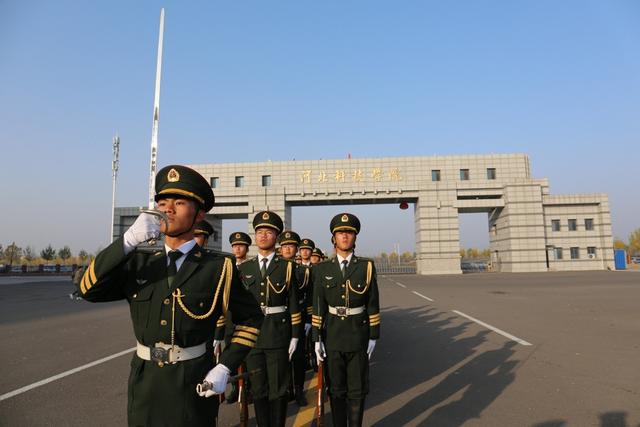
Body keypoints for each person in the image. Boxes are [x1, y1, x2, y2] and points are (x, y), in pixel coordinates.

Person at [78, 165, 263, 427]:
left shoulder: (219, 267)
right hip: (145, 383)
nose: (168, 209)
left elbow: (252, 318)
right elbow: (88, 289)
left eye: (178, 202)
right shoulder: (139, 262)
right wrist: (127, 241)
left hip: (193, 381)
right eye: (163, 202)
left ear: (199, 214)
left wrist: (225, 366)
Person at [311, 213, 381, 427]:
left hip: (358, 336)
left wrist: (373, 336)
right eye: (340, 233)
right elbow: (318, 306)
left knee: (357, 390)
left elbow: (372, 304)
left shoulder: (365, 267)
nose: (345, 236)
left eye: (349, 232)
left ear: (355, 237)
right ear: (333, 238)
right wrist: (316, 338)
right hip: (332, 336)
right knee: (337, 390)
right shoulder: (323, 269)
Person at [238, 211, 301, 426]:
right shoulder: (244, 269)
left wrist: (294, 335)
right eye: (259, 232)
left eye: (268, 232)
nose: (263, 235)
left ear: (276, 237)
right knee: (258, 389)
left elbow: (293, 302)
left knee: (278, 389)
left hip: (278, 335)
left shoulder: (287, 267)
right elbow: (238, 307)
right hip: (252, 336)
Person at [215, 230, 253, 404]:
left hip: (248, 321)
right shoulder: (226, 269)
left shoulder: (253, 267)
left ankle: (249, 388)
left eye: (241, 246)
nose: (237, 249)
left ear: (246, 248)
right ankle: (235, 388)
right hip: (230, 321)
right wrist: (218, 331)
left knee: (249, 357)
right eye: (235, 246)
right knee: (231, 358)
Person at [277, 231, 312, 407]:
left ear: (296, 249)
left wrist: (308, 321)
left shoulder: (303, 272)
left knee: (297, 358)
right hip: (277, 319)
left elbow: (311, 297)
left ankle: (298, 389)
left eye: (291, 246)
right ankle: (285, 389)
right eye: (284, 246)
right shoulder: (273, 269)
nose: (287, 248)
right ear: (280, 248)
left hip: (298, 318)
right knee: (280, 357)